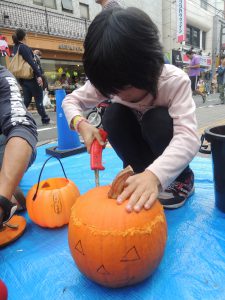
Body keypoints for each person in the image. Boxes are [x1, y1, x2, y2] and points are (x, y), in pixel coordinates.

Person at [62, 7, 200, 212]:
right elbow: (70, 101)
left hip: (167, 152)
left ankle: (182, 179)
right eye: (111, 89)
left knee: (156, 120)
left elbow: (188, 137)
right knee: (113, 115)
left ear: (149, 68)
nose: (117, 93)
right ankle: (138, 173)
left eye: (123, 88)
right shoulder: (111, 81)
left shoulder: (173, 82)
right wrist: (80, 123)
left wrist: (156, 175)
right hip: (141, 157)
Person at [0, 65, 37, 226]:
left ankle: (7, 193)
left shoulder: (2, 77)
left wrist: (2, 200)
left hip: (4, 146)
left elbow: (22, 126)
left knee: (18, 141)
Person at [13, 29, 50, 124]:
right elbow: (32, 63)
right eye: (27, 35)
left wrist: (20, 81)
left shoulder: (15, 47)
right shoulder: (24, 47)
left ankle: (19, 117)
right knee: (38, 100)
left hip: (23, 79)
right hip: (32, 78)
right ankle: (45, 119)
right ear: (24, 36)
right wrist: (39, 76)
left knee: (26, 100)